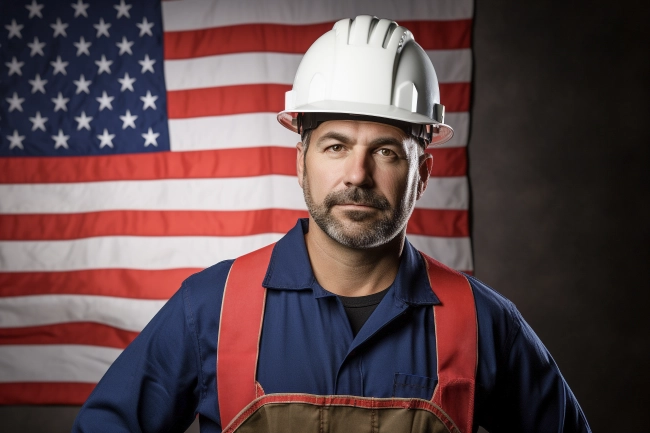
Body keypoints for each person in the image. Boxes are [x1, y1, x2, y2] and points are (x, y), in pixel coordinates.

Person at [73, 15, 591, 433]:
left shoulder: (482, 322)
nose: (357, 175)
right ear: (302, 161)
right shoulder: (212, 306)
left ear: (423, 173)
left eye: (385, 151)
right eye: (336, 145)